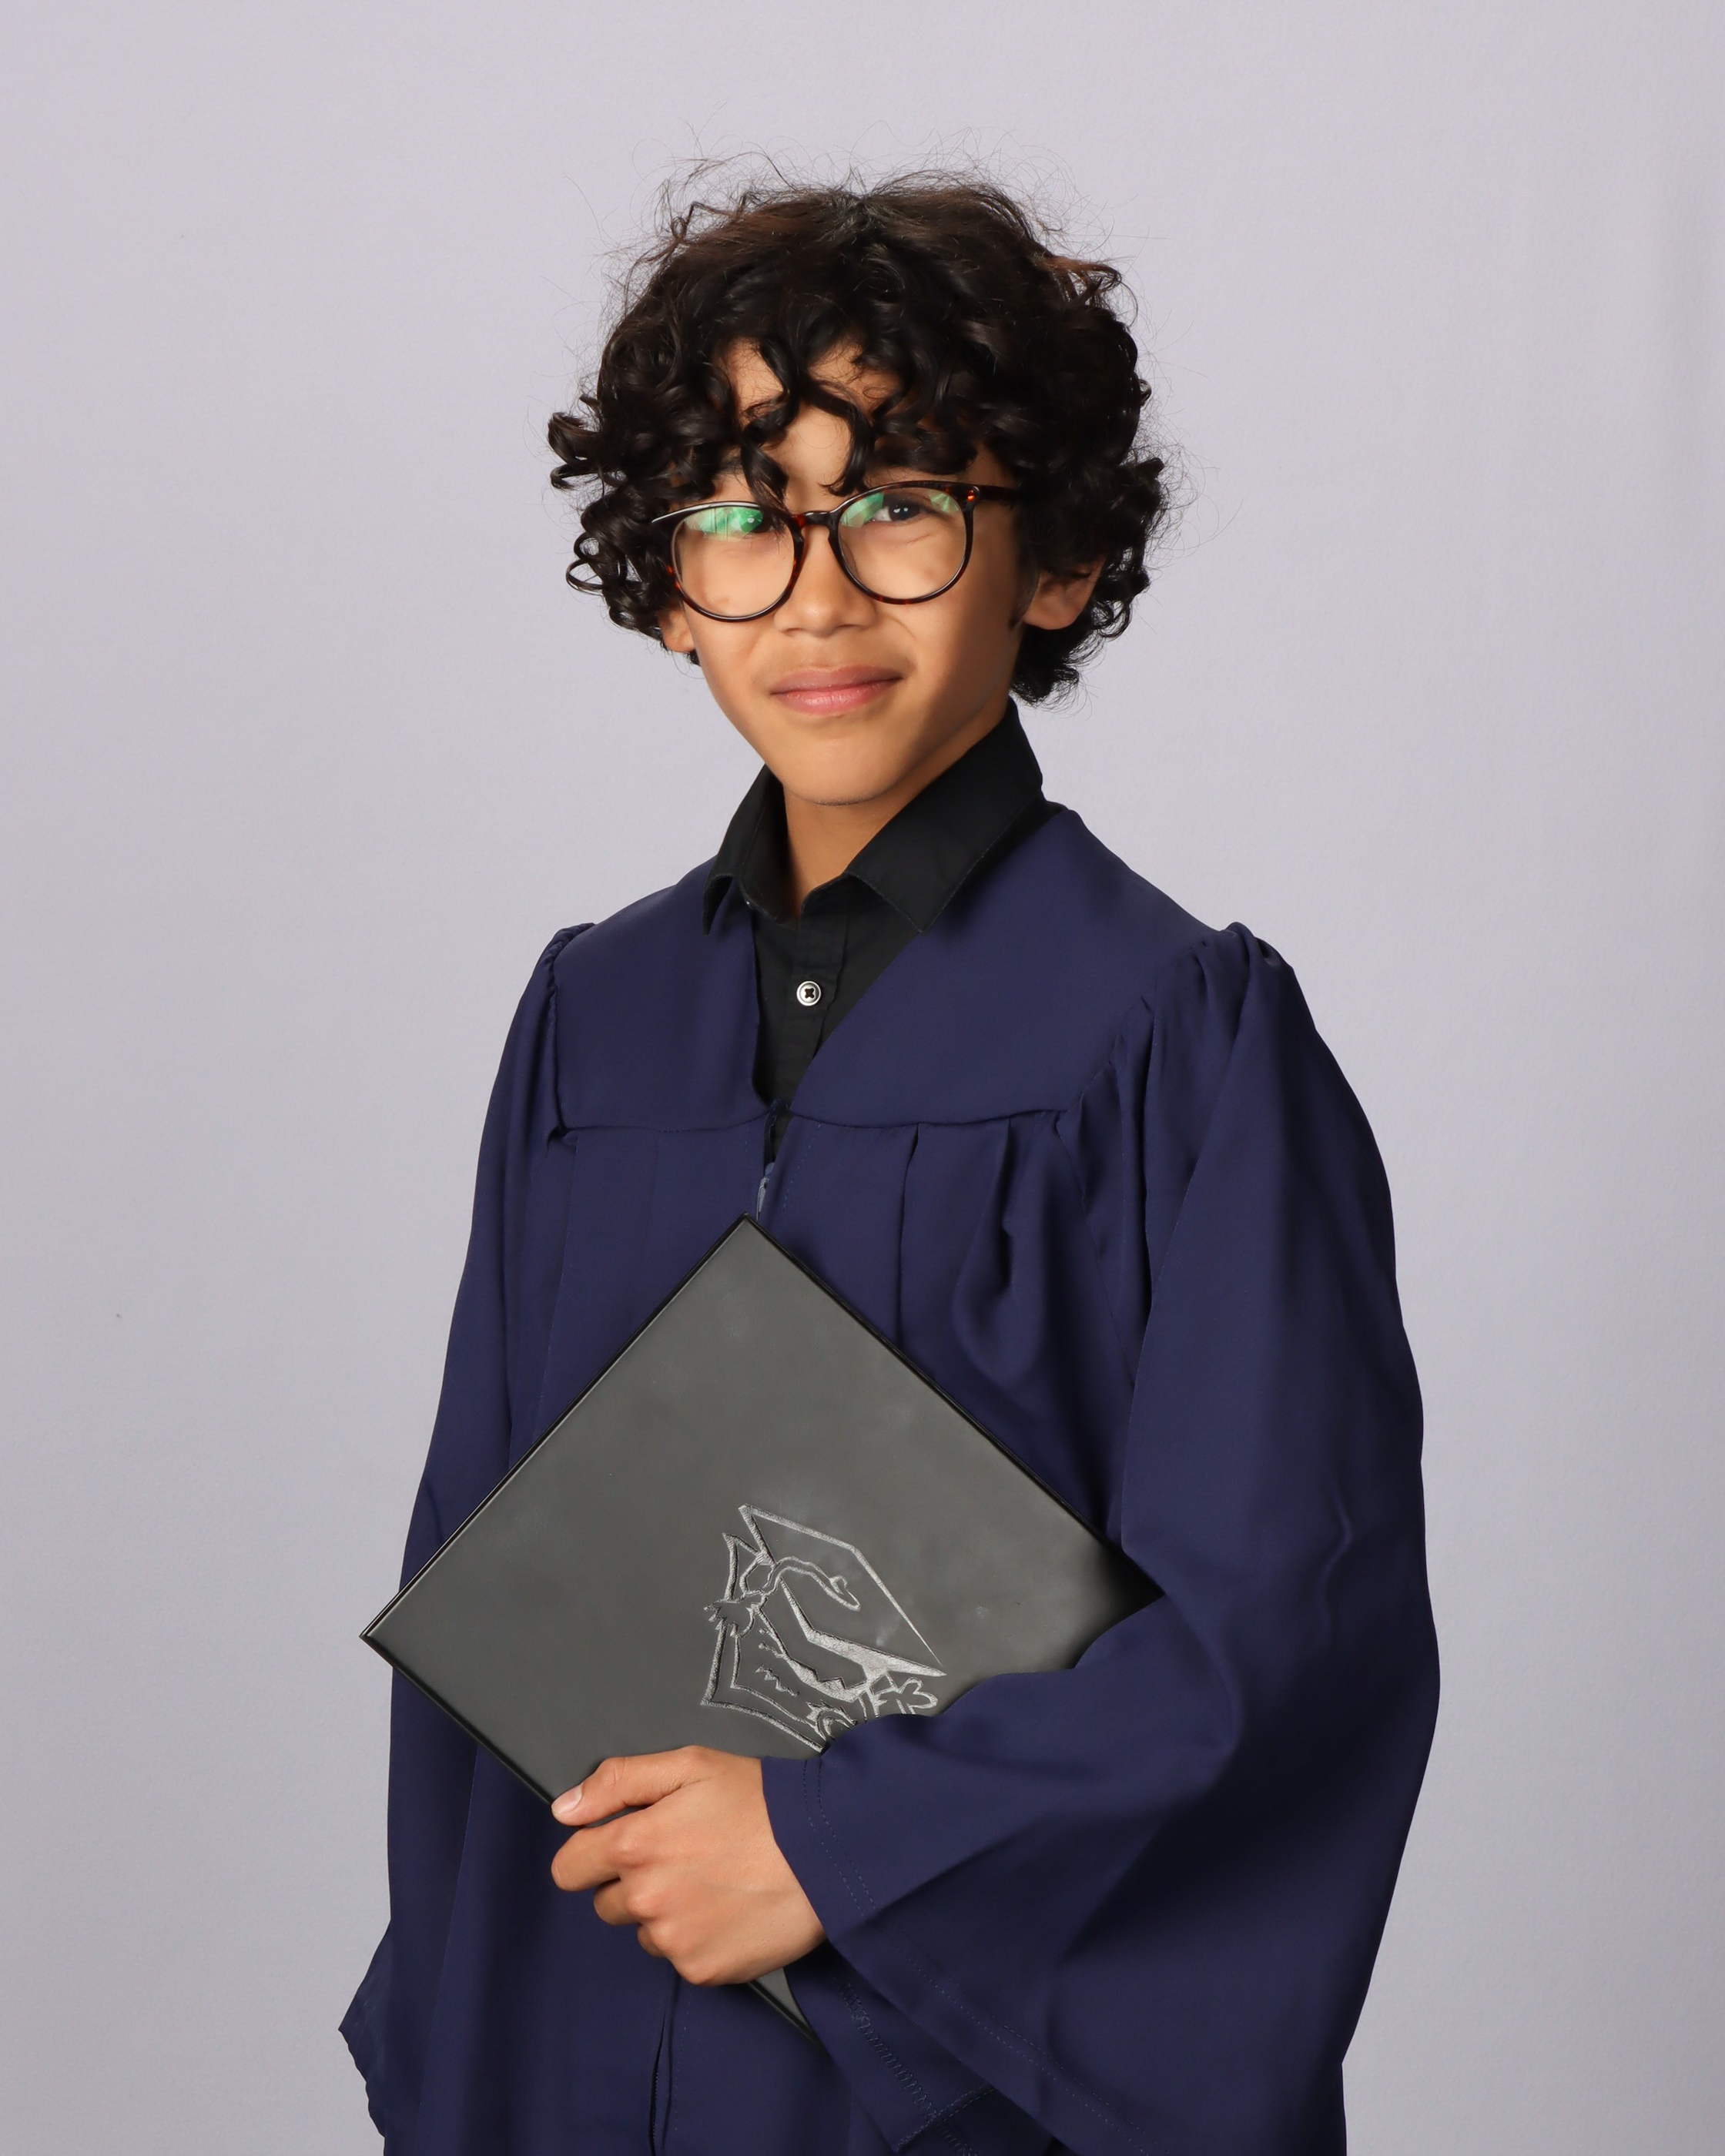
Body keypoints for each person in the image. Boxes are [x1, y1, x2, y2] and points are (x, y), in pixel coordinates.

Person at [342, 171, 1439, 2156]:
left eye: (903, 506)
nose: (815, 596)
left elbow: (1280, 1645)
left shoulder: (1181, 1039)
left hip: (956, 2099)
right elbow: (482, 1608)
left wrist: (832, 1845)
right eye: (742, 517)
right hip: (583, 2032)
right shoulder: (592, 1023)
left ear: (1058, 558)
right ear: (667, 585)